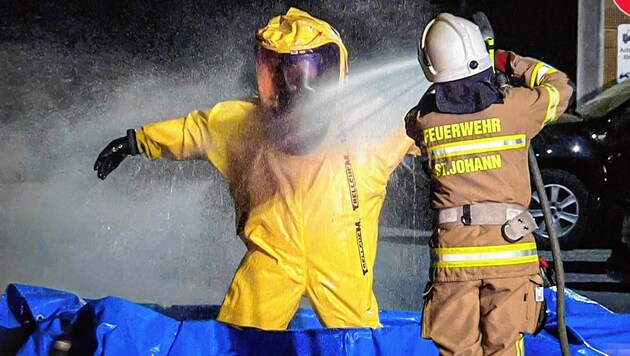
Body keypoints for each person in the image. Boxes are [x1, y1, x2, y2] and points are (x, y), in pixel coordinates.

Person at [93, 8, 417, 330]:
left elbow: (425, 127)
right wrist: (136, 141)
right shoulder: (245, 125)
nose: (299, 85)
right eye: (288, 72)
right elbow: (193, 132)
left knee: (358, 339)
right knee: (239, 338)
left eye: (308, 71)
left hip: (343, 259)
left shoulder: (368, 126)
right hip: (273, 257)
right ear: (271, 73)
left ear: (332, 71)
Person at [405, 13, 574, 355]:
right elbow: (560, 88)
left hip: (453, 262)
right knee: (505, 348)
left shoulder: (424, 120)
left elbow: (414, 125)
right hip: (510, 255)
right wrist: (511, 63)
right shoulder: (517, 109)